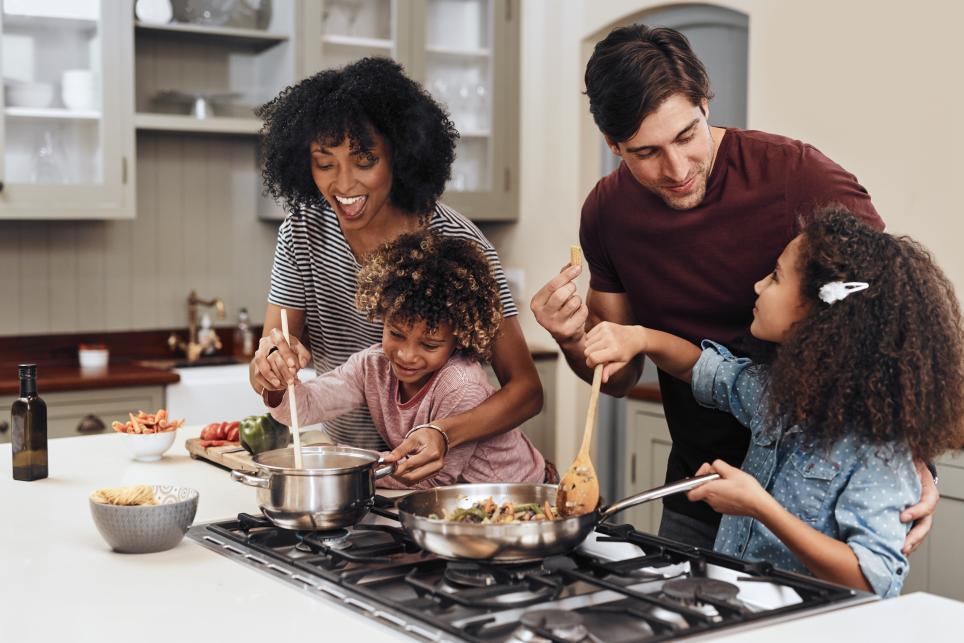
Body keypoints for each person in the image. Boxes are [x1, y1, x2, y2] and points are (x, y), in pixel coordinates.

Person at [530, 24, 938, 550]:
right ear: (613, 144)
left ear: (705, 102)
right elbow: (621, 375)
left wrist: (913, 456)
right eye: (646, 152)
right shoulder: (607, 213)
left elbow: (897, 313)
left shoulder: (799, 177)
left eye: (686, 136)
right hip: (702, 490)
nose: (676, 169)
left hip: (822, 501)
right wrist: (571, 337)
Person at [582, 209, 964, 597]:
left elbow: (872, 580)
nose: (758, 285)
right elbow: (702, 368)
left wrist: (760, 506)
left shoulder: (878, 446)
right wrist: (641, 338)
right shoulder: (774, 394)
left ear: (819, 315)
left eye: (776, 277)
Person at [250, 57, 542, 485]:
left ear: (400, 155)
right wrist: (268, 369)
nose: (343, 184)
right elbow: (277, 360)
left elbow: (526, 391)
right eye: (324, 163)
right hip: (359, 470)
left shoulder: (459, 245)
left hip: (447, 481)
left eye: (364, 160)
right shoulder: (302, 230)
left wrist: (443, 432)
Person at [265, 231, 548, 488]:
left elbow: (433, 478)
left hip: (518, 493)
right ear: (382, 318)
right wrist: (280, 383)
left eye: (429, 344)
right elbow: (303, 407)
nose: (407, 355)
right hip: (458, 500)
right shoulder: (372, 366)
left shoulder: (461, 385)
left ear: (458, 338)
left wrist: (341, 463)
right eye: (396, 334)